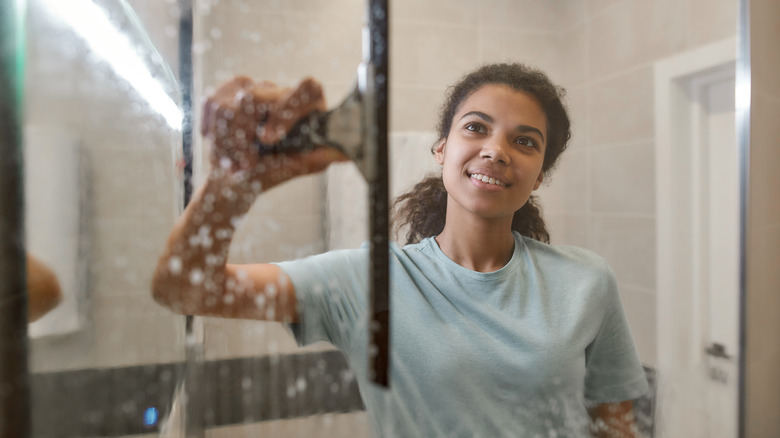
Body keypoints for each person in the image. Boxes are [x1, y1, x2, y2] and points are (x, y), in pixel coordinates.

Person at [152, 63, 648, 437]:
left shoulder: (587, 281)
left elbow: (615, 425)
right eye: (476, 127)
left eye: (524, 141)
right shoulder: (372, 282)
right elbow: (184, 290)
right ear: (441, 148)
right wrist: (233, 184)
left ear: (539, 174)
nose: (496, 150)